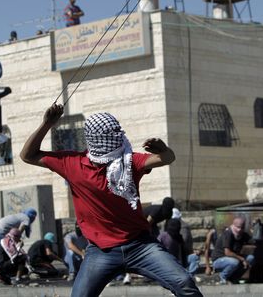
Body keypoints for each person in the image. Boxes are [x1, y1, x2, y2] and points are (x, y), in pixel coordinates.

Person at [20, 103, 202, 297]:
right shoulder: (71, 163)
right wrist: (47, 124)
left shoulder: (129, 161)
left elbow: (166, 158)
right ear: (95, 139)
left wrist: (163, 149)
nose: (118, 138)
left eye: (117, 132)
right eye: (110, 134)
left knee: (184, 282)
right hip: (100, 252)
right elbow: (27, 156)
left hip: (140, 246)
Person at [212, 216, 254, 284]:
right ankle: (222, 276)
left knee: (250, 258)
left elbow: (254, 241)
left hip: (233, 258)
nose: (239, 230)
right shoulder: (228, 234)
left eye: (242, 227)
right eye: (237, 227)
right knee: (235, 262)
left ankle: (234, 278)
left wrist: (254, 229)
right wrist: (242, 259)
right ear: (233, 225)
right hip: (219, 260)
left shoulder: (242, 234)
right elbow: (227, 252)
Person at [172, 208, 201, 277]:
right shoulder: (170, 227)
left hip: (182, 256)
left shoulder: (183, 228)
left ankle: (189, 277)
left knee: (195, 257)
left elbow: (183, 244)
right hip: (174, 257)